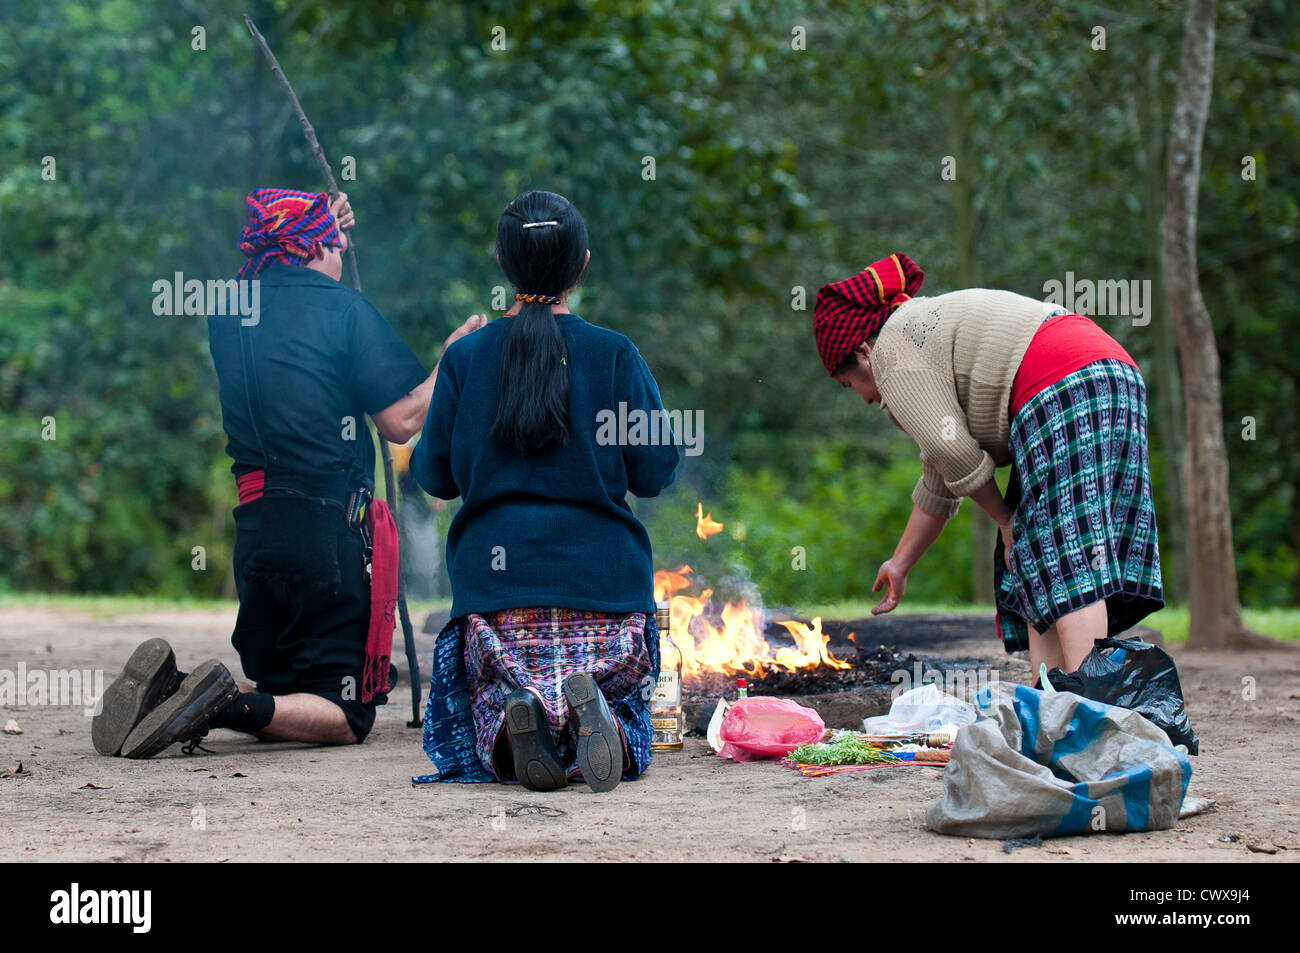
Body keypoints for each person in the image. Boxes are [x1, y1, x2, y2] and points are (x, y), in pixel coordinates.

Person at [92, 188, 484, 759]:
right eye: (336, 238)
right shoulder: (343, 308)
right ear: (310, 244)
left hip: (256, 531)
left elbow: (278, 255)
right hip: (325, 539)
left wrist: (321, 215)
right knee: (347, 714)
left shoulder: (229, 309)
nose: (346, 247)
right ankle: (218, 704)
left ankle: (174, 693)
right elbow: (401, 422)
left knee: (282, 691)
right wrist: (451, 359)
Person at [411, 190, 679, 793]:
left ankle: (517, 718)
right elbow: (657, 471)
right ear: (581, 263)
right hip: (604, 592)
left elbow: (434, 477)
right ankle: (599, 714)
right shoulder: (614, 353)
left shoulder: (465, 359)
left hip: (496, 600)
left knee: (488, 710)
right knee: (630, 709)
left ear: (503, 262)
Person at [813, 253, 1163, 677]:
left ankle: (1096, 710)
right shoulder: (918, 334)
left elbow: (954, 454)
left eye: (851, 384)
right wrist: (900, 563)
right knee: (1046, 554)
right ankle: (1054, 706)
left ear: (864, 352)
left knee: (1066, 559)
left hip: (1059, 385)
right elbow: (940, 473)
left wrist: (1003, 519)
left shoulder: (892, 352)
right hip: (1111, 373)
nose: (865, 398)